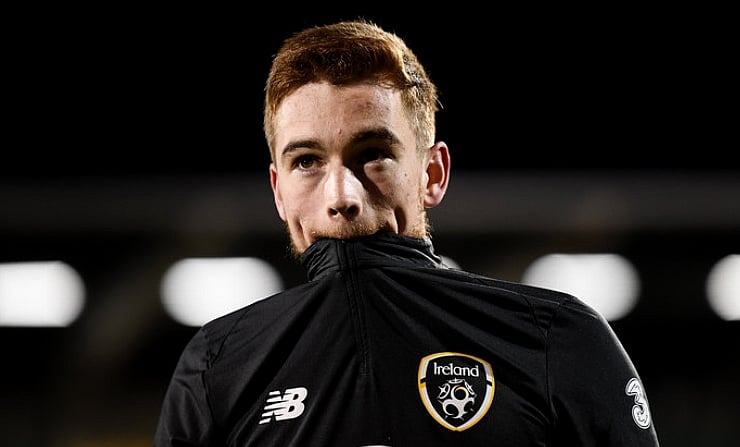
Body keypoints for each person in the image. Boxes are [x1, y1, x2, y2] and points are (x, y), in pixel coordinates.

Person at [153, 19, 660, 446]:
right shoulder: (217, 366)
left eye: (373, 154)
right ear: (278, 189)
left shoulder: (556, 339)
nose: (341, 197)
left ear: (432, 173)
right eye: (306, 161)